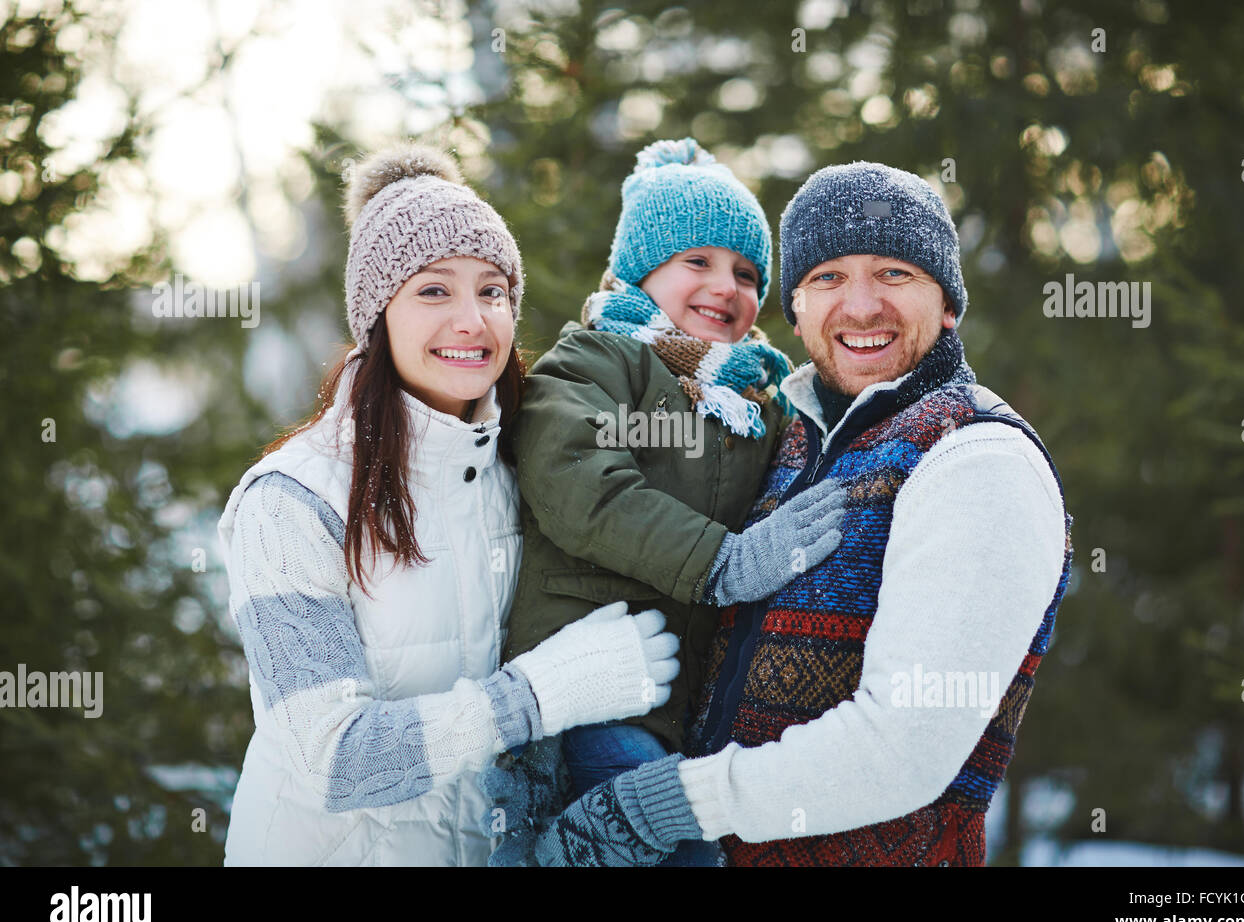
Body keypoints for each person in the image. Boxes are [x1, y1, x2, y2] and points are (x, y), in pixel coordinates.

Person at [534, 160, 1073, 867]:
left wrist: (656, 804)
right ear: (798, 310)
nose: (860, 306)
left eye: (894, 273)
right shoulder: (787, 435)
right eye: (828, 278)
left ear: (947, 303)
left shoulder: (975, 459)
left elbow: (902, 747)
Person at [216, 144, 681, 866]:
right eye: (434, 291)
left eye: (493, 291)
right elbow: (332, 758)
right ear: (377, 313)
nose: (473, 320)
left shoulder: (522, 467)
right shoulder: (291, 503)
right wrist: (534, 697)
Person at [487, 138, 846, 866]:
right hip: (581, 690)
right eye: (698, 263)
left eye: (747, 273)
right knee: (682, 849)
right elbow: (576, 480)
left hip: (676, 708)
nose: (727, 286)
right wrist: (724, 562)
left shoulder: (753, 401)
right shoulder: (597, 361)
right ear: (638, 272)